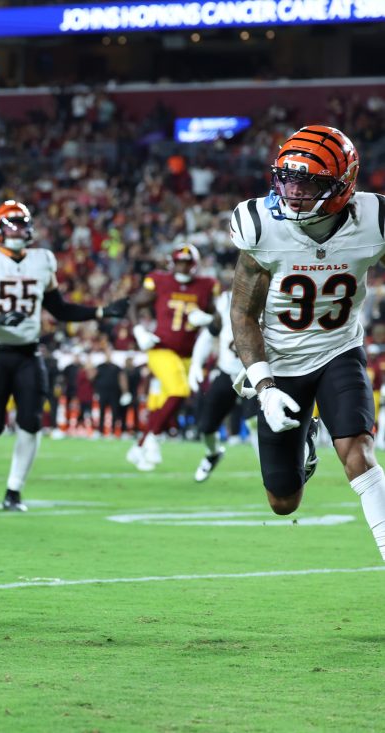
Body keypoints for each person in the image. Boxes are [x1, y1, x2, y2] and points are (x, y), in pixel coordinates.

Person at [229, 124, 385, 562]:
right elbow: (243, 312)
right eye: (288, 177)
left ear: (342, 184)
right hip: (280, 361)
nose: (294, 191)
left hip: (339, 348)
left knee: (358, 452)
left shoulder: (375, 220)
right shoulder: (259, 224)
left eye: (309, 182)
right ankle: (306, 441)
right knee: (283, 502)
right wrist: (264, 387)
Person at [0, 200, 128, 509]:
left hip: (29, 352)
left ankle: (13, 491)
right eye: (12, 224)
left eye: (23, 223)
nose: (19, 230)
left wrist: (101, 311)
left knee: (31, 421)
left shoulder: (42, 260)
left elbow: (59, 308)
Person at [126, 244, 219, 471]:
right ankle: (152, 439)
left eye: (187, 263)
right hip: (162, 349)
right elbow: (135, 305)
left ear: (194, 264)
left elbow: (220, 317)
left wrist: (206, 318)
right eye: (179, 262)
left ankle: (139, 447)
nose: (183, 267)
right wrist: (139, 330)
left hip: (189, 355)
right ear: (172, 263)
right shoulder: (159, 281)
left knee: (167, 404)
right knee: (179, 391)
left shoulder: (207, 286)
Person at [188, 288, 257, 481]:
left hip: (254, 371)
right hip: (227, 372)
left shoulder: (268, 299)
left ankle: (269, 469)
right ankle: (213, 454)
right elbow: (210, 333)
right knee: (206, 426)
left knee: (255, 422)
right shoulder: (226, 300)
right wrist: (196, 363)